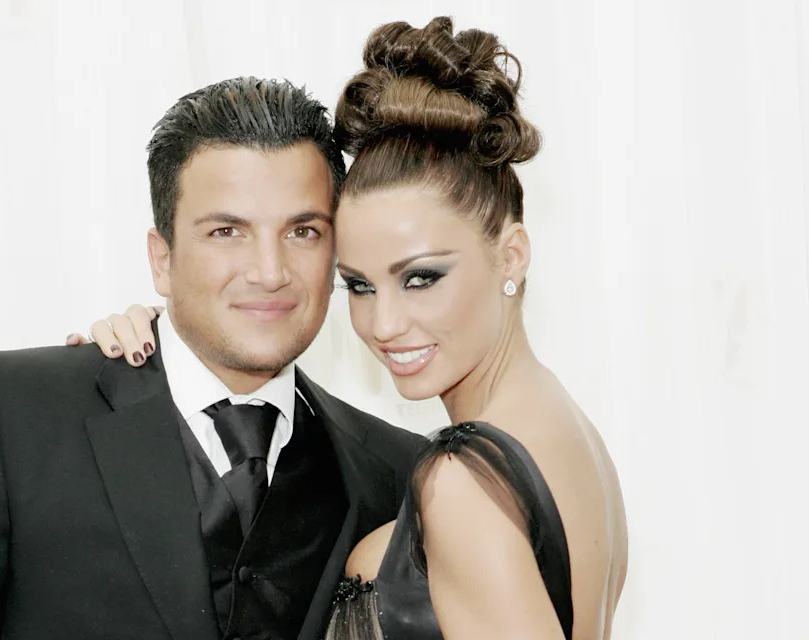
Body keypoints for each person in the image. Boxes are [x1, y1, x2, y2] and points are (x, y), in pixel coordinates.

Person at [84, 17, 628, 640]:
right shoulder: (565, 435)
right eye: (361, 286)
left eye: (421, 277)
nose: (385, 324)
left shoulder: (465, 481)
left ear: (511, 255)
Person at [0, 78, 423, 640]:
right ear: (161, 258)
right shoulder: (4, 413)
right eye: (227, 231)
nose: (270, 272)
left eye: (303, 231)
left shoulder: (397, 474)